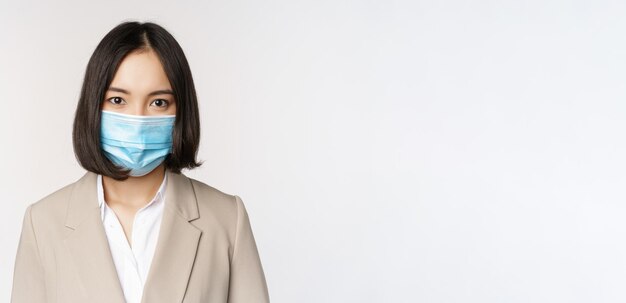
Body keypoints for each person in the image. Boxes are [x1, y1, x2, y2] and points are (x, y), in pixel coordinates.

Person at [11, 21, 270, 303]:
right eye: (118, 100)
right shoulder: (43, 223)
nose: (138, 120)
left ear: (181, 111)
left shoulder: (226, 219)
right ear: (93, 105)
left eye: (158, 102)